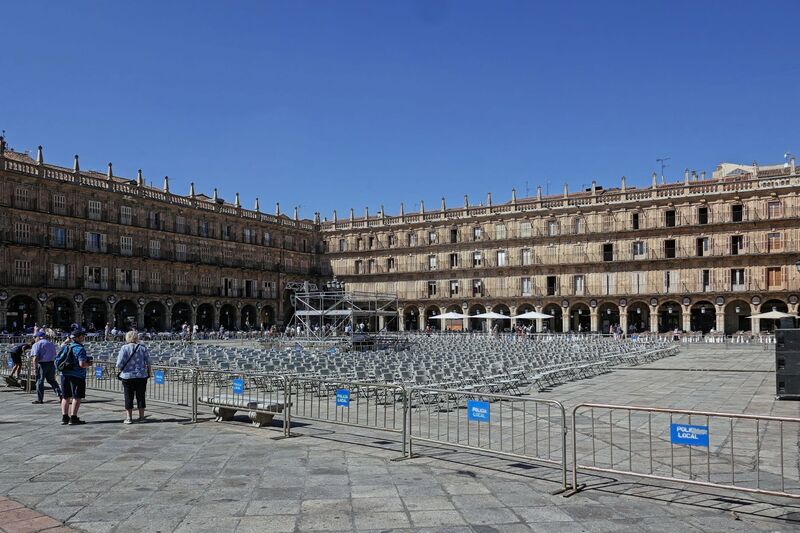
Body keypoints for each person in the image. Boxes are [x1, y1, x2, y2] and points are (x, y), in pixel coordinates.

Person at [116, 330, 152, 424]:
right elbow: (148, 362)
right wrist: (149, 373)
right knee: (141, 396)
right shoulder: (142, 347)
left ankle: (129, 418)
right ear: (137, 338)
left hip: (127, 376)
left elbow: (119, 363)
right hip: (141, 375)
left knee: (128, 396)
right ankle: (141, 417)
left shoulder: (124, 348)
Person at [59, 328, 93, 425]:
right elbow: (82, 364)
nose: (83, 337)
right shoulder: (80, 348)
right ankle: (73, 417)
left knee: (65, 396)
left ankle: (64, 417)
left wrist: (67, 339)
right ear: (78, 337)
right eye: (82, 336)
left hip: (64, 374)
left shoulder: (65, 346)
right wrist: (89, 364)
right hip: (77, 375)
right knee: (76, 396)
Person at [31, 331, 62, 404]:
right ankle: (61, 395)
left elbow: (35, 357)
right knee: (52, 381)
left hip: (41, 364)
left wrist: (34, 367)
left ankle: (40, 399)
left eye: (35, 337)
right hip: (51, 364)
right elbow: (54, 354)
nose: (35, 339)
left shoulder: (37, 344)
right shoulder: (51, 344)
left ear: (39, 337)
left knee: (39, 382)